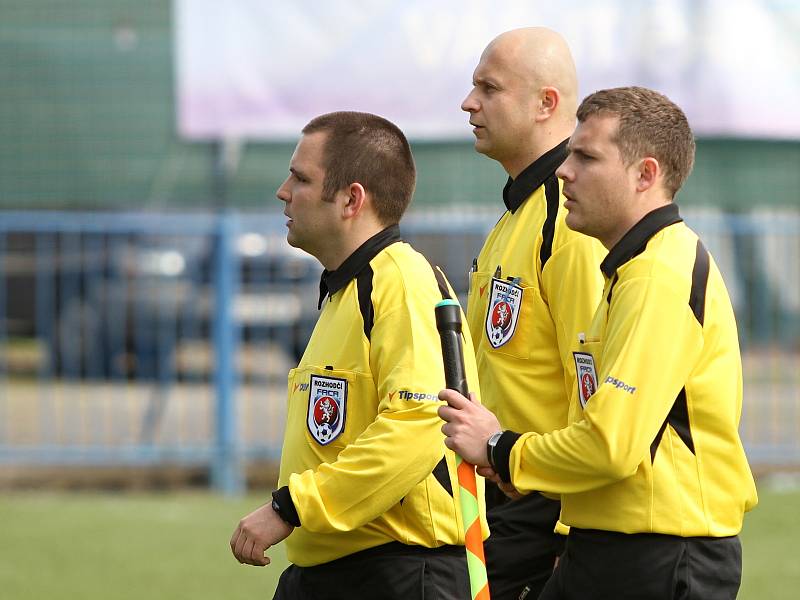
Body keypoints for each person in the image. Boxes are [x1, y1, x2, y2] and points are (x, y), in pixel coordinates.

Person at [439, 86, 758, 599]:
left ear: (645, 175)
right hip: (615, 544)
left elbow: (610, 445)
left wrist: (501, 449)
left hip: (660, 552)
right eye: (568, 156)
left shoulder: (658, 274)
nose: (564, 171)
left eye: (586, 157)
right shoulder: (630, 269)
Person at [229, 111, 486, 600]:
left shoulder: (400, 281)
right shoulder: (347, 289)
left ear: (352, 199)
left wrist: (291, 508)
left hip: (401, 575)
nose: (283, 191)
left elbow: (417, 426)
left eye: (301, 178)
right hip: (336, 572)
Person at [460, 27, 606, 599]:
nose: (468, 103)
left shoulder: (570, 223)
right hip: (503, 493)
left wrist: (570, 534)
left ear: (546, 104)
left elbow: (594, 386)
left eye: (487, 88)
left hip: (543, 507)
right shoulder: (519, 214)